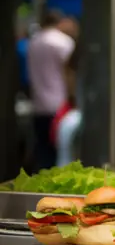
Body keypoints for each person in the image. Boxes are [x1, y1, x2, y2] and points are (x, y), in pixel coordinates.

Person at [27, 10, 76, 172]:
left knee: (43, 154)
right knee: (62, 155)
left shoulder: (33, 42)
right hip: (60, 106)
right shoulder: (63, 42)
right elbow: (70, 71)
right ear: (60, 22)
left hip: (38, 104)